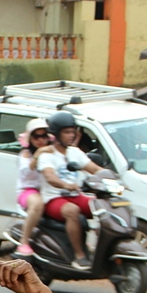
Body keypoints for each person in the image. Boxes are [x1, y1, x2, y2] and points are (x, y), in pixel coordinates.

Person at [37, 111, 103, 271]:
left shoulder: (75, 152)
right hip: (54, 199)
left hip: (76, 195)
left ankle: (102, 251)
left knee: (101, 206)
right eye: (67, 132)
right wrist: (66, 185)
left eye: (73, 131)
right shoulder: (47, 154)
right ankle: (79, 255)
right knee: (73, 211)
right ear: (57, 134)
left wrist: (112, 177)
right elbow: (49, 176)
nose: (71, 135)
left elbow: (93, 168)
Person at [14, 118, 52, 257]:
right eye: (37, 136)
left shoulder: (52, 151)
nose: (41, 140)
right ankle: (24, 242)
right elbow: (27, 173)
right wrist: (38, 154)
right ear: (30, 138)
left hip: (51, 189)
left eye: (44, 136)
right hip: (29, 191)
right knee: (37, 204)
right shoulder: (26, 154)